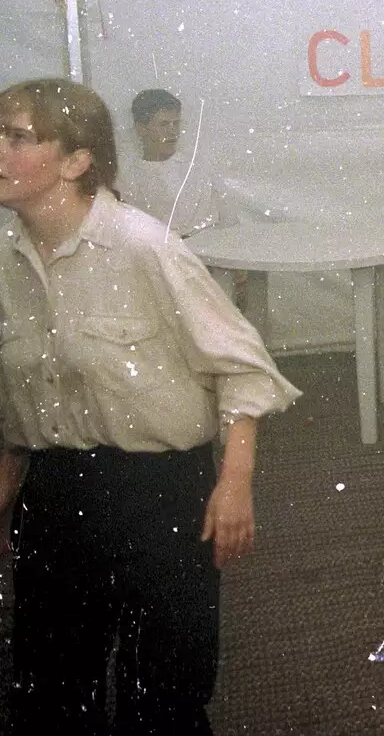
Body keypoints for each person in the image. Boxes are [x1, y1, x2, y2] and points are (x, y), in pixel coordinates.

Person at [0, 78, 299, 734]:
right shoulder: (7, 262)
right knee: (48, 692)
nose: (1, 149)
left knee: (164, 696)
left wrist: (236, 482)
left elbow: (242, 367)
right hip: (53, 493)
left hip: (156, 492)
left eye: (17, 137)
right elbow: (18, 408)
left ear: (76, 160)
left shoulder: (144, 247)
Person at [119, 87, 224, 236]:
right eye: (163, 124)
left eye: (176, 123)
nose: (172, 131)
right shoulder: (127, 177)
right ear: (141, 129)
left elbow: (210, 225)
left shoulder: (195, 169)